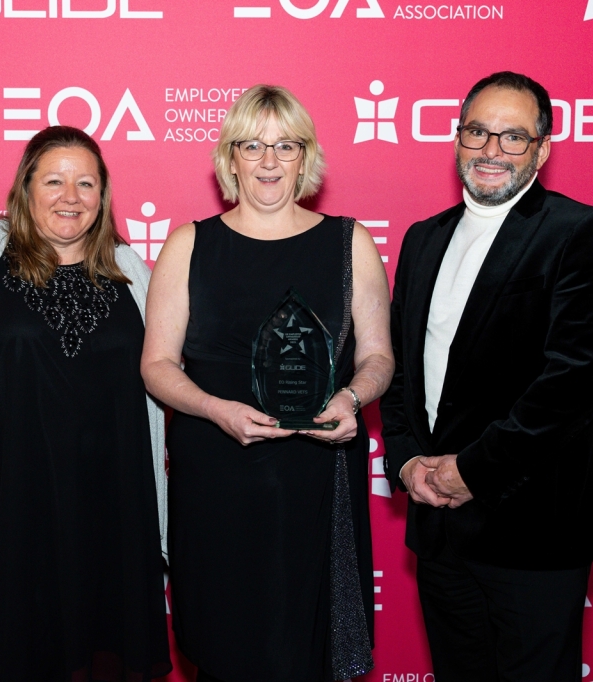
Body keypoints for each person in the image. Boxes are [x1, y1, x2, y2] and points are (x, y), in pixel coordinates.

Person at [380, 71, 593, 682]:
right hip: (439, 526)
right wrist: (410, 461)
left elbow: (572, 384)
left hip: (533, 529)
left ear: (542, 149)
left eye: (513, 137)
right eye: (478, 132)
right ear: (457, 138)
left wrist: (472, 471)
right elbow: (397, 369)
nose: (492, 151)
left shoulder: (580, 231)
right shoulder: (422, 239)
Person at [141, 84, 393, 682]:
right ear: (230, 158)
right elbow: (156, 365)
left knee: (308, 650)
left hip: (318, 474)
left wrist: (352, 397)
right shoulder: (188, 244)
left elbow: (380, 357)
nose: (270, 161)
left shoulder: (350, 243)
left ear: (307, 158)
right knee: (225, 648)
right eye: (252, 145)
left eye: (286, 145)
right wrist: (213, 408)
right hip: (217, 475)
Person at [0, 125, 171, 681]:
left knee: (103, 648)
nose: (71, 197)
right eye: (54, 181)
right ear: (25, 189)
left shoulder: (134, 272)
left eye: (86, 183)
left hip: (109, 501)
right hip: (9, 498)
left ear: (103, 196)